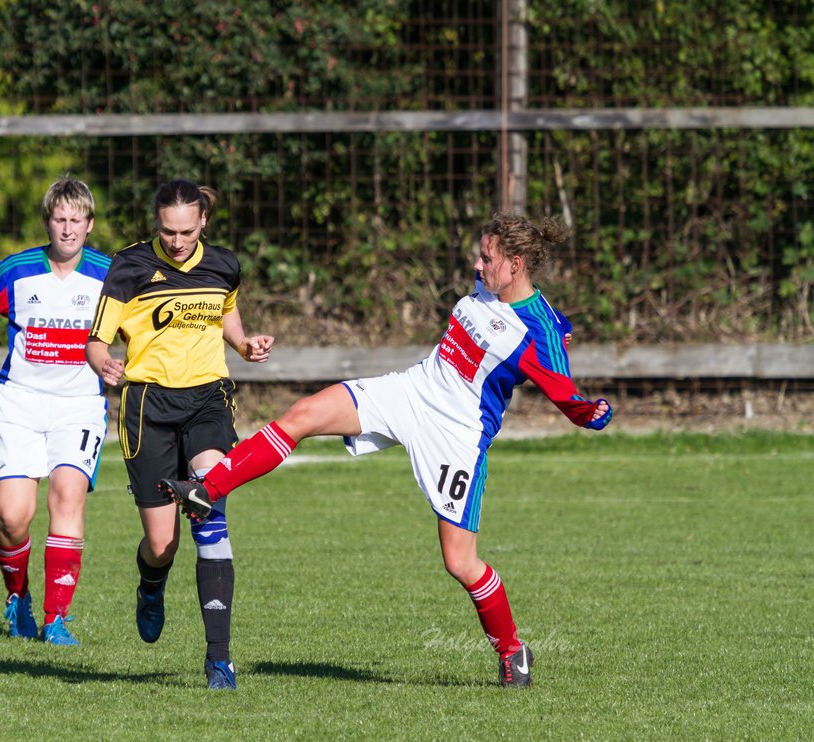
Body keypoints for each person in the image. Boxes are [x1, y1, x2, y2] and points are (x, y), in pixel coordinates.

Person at [159, 212, 613, 688]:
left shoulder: (537, 327)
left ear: (516, 264)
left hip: (456, 437)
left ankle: (513, 651)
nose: (477, 266)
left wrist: (591, 411)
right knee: (305, 414)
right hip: (411, 392)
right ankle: (207, 489)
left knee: (460, 562)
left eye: (487, 257)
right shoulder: (488, 291)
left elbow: (563, 388)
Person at [86, 179, 274, 689]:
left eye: (187, 231)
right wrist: (106, 364)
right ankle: (151, 579)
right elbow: (97, 342)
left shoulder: (224, 264)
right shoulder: (128, 267)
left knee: (210, 504)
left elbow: (226, 312)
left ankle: (219, 660)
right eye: (168, 232)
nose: (176, 241)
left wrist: (243, 344)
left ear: (203, 223)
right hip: (148, 406)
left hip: (208, 399)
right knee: (162, 543)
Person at [0, 177, 111, 646]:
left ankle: (57, 618)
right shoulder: (17, 270)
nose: (67, 230)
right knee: (11, 516)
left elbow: (141, 325)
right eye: (59, 220)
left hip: (80, 406)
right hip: (19, 404)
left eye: (76, 220)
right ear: (48, 222)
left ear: (89, 223)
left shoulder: (111, 273)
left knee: (67, 494)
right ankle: (17, 597)